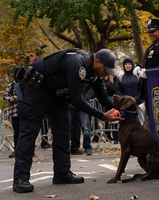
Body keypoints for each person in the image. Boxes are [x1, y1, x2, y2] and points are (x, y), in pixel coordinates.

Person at [12, 48, 121, 193]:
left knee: (63, 131)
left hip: (56, 95)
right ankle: (20, 179)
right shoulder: (76, 62)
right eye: (106, 69)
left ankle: (62, 173)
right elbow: (77, 100)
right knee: (29, 132)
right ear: (97, 60)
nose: (107, 73)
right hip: (36, 90)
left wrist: (122, 109)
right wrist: (103, 116)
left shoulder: (95, 74)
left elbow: (104, 97)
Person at [115, 57, 143, 125]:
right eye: (126, 64)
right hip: (125, 105)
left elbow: (141, 89)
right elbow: (118, 90)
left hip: (138, 104)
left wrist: (135, 99)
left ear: (132, 65)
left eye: (129, 64)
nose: (128, 65)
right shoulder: (120, 77)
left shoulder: (137, 76)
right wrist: (124, 100)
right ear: (124, 66)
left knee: (141, 122)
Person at [69, 85, 95, 155]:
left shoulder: (85, 76)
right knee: (68, 128)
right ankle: (67, 148)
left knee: (86, 128)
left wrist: (85, 98)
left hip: (82, 105)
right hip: (70, 104)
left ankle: (87, 147)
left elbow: (91, 88)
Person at [3, 81, 19, 158]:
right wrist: (14, 98)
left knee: (27, 132)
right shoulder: (11, 85)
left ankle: (29, 150)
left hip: (27, 113)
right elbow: (5, 98)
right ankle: (17, 150)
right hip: (15, 113)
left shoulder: (27, 84)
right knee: (17, 132)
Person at [104, 75, 118, 144]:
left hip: (115, 102)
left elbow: (116, 90)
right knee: (108, 119)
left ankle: (116, 137)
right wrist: (109, 83)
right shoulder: (105, 80)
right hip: (108, 102)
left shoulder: (117, 80)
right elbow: (105, 91)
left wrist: (112, 83)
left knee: (115, 119)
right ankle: (107, 134)